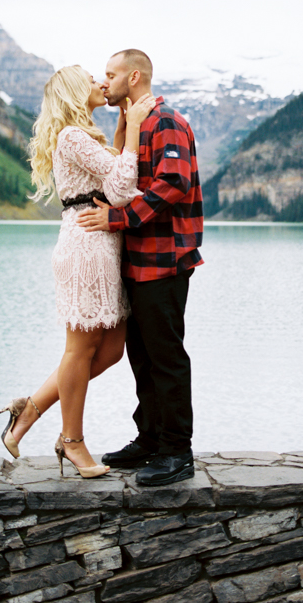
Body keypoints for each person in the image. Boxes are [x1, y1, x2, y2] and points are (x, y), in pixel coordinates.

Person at [0, 65, 155, 479]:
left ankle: (28, 410)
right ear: (74, 93)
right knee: (79, 351)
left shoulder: (84, 136)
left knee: (111, 350)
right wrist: (134, 126)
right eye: (92, 79)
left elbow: (115, 173)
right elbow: (119, 189)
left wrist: (120, 132)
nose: (102, 82)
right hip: (85, 249)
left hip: (102, 248)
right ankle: (71, 441)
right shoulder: (72, 136)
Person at [77, 49, 203, 487]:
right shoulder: (136, 124)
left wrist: (118, 218)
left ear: (133, 77)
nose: (104, 81)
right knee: (142, 356)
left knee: (165, 356)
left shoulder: (165, 121)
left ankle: (176, 451)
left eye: (110, 75)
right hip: (137, 262)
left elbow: (173, 183)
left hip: (164, 260)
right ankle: (149, 439)